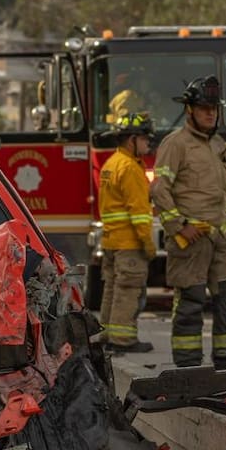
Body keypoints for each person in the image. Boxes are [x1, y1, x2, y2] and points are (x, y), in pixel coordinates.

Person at [150, 75, 226, 370]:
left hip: (221, 238)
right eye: (204, 107)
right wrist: (179, 226)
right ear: (190, 110)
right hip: (191, 239)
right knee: (191, 302)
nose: (210, 113)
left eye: (214, 108)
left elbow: (225, 190)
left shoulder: (218, 145)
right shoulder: (175, 144)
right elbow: (159, 189)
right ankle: (189, 365)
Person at [98, 111, 157, 354]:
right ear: (131, 140)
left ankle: (107, 336)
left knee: (111, 290)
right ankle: (123, 340)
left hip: (112, 242)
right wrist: (148, 244)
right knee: (128, 292)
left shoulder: (111, 164)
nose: (148, 143)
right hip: (130, 244)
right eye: (144, 138)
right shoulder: (130, 168)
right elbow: (139, 213)